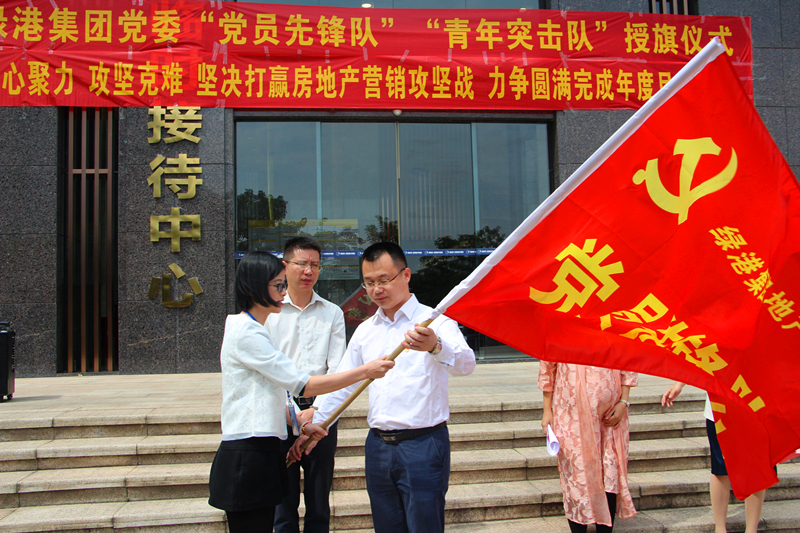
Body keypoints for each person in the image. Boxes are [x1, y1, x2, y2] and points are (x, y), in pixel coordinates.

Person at [207, 251, 395, 533]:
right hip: (248, 452)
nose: (283, 292)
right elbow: (302, 384)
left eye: (283, 285)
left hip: (262, 446)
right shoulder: (247, 332)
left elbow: (271, 393)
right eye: (278, 285)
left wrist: (301, 424)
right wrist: (365, 371)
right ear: (255, 287)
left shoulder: (255, 329)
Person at [312, 242, 476, 533]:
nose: (377, 289)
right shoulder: (366, 330)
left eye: (384, 280)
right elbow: (344, 383)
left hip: (423, 445)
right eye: (369, 282)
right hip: (378, 446)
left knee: (424, 525)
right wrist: (317, 422)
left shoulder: (434, 321)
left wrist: (436, 346)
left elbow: (466, 364)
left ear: (406, 275)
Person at [266, 237, 346, 533]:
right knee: (282, 504)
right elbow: (268, 370)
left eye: (315, 265)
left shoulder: (332, 312)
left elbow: (338, 368)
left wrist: (318, 412)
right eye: (301, 264)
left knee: (319, 501)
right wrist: (292, 415)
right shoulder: (269, 312)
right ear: (285, 266)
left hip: (321, 415)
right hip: (279, 416)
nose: (308, 271)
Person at [538, 362, 638, 533]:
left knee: (609, 470)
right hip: (570, 412)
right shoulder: (560, 341)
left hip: (610, 415)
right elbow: (547, 367)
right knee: (577, 473)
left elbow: (627, 360)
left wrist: (624, 401)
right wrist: (547, 409)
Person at [662, 383, 766, 533]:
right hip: (719, 405)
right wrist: (680, 384)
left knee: (756, 469)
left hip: (755, 404)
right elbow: (705, 366)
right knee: (720, 468)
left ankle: (751, 530)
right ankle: (720, 528)